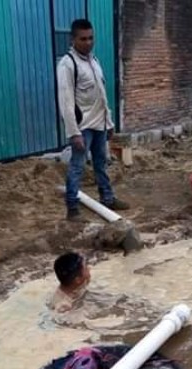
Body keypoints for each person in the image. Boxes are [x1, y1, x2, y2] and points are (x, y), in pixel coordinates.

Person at [57, 19, 129, 222]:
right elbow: (66, 102)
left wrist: (110, 123)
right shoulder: (68, 65)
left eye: (91, 38)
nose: (88, 42)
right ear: (73, 39)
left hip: (100, 124)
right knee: (77, 166)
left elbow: (101, 94)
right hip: (83, 127)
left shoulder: (93, 61)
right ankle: (72, 209)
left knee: (101, 163)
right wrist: (74, 132)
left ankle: (107, 198)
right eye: (83, 39)